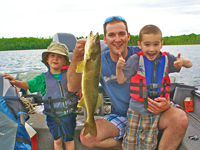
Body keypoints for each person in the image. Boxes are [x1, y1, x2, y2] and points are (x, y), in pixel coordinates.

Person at [67, 16, 189, 150]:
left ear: (128, 36)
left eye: (121, 34)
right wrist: (77, 56)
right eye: (112, 35)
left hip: (150, 112)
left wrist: (166, 101)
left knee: (180, 119)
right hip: (121, 116)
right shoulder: (98, 61)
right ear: (105, 39)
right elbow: (72, 87)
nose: (117, 39)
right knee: (87, 137)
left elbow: (169, 69)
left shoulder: (146, 53)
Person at [116, 24, 193, 150]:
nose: (151, 49)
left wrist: (183, 62)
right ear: (139, 44)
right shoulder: (135, 60)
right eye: (147, 44)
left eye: (156, 44)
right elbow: (120, 80)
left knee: (149, 144)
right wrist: (119, 68)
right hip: (136, 110)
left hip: (155, 113)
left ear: (161, 44)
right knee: (130, 144)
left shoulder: (167, 58)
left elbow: (189, 63)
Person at [3, 42, 78, 150]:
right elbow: (28, 84)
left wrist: (80, 88)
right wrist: (15, 82)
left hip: (69, 115)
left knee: (69, 140)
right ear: (47, 59)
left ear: (64, 61)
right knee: (57, 141)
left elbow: (80, 80)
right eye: (52, 55)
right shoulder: (42, 79)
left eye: (59, 57)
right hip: (52, 117)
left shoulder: (69, 74)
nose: (55, 59)